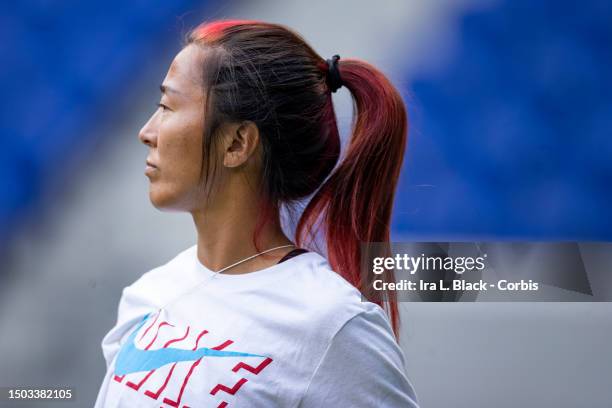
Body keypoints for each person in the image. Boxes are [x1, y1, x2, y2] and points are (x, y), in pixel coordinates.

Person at [94, 19, 419, 407]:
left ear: (237, 143)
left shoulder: (329, 323)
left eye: (167, 106)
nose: (147, 132)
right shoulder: (147, 296)